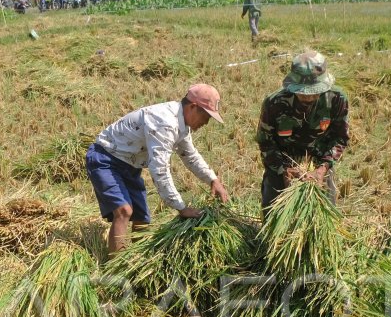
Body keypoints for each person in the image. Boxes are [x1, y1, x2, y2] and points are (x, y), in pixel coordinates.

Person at [87, 84, 230, 256]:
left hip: (130, 165)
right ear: (193, 107)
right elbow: (159, 169)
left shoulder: (182, 125)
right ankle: (115, 269)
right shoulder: (165, 122)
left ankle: (139, 259)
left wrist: (213, 179)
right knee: (124, 211)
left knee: (142, 218)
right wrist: (181, 207)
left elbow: (189, 155)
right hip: (106, 158)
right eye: (206, 116)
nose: (206, 122)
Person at [255, 50, 350, 214]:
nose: (308, 97)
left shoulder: (336, 99)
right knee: (274, 213)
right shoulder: (275, 103)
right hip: (282, 162)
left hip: (319, 161)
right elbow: (265, 142)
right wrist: (284, 171)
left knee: (325, 212)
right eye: (302, 92)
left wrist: (322, 169)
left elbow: (340, 139)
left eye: (314, 92)